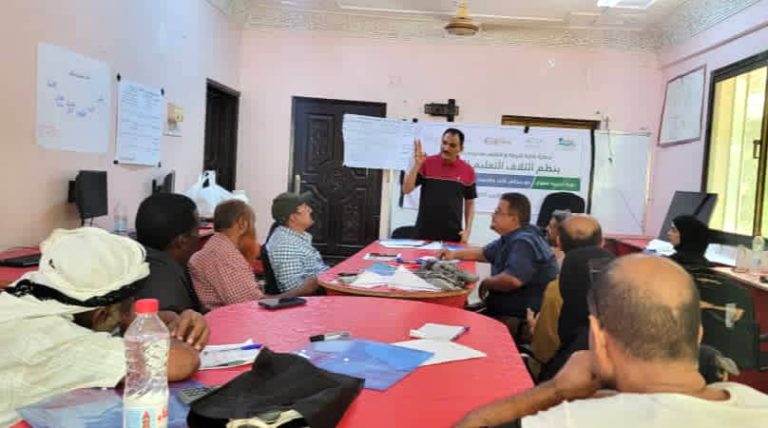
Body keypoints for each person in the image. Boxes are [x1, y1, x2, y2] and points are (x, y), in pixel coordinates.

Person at [455, 255, 768, 428]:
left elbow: (472, 424)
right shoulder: (757, 405)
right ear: (698, 334)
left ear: (598, 340)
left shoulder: (574, 420)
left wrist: (555, 390)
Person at [0, 228, 201, 426]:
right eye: (129, 306)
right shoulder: (63, 343)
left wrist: (164, 320)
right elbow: (182, 362)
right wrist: (168, 334)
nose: (134, 309)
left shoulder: (32, 294)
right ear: (102, 315)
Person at [439, 193, 558, 328]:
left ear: (514, 219)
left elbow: (512, 279)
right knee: (453, 312)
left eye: (497, 212)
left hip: (517, 317)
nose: (492, 215)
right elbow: (484, 253)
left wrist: (487, 283)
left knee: (452, 320)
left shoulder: (524, 242)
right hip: (501, 308)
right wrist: (453, 254)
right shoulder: (514, 236)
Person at [526, 214, 604, 373]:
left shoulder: (556, 290)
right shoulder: (619, 288)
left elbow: (544, 351)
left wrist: (534, 328)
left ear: (559, 242)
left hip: (564, 372)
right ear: (602, 243)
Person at [135, 193, 210, 349]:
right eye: (197, 230)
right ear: (183, 242)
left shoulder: (140, 259)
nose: (199, 236)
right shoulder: (166, 288)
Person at [402, 128, 477, 243]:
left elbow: (470, 202)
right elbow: (406, 189)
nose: (446, 148)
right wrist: (417, 165)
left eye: (452, 145)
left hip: (453, 235)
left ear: (461, 148)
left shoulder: (468, 171)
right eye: (444, 143)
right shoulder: (426, 163)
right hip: (424, 233)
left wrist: (468, 230)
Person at [189, 199, 265, 310]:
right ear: (242, 223)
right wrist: (289, 296)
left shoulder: (214, 248)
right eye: (252, 225)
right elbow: (250, 305)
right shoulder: (225, 255)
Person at [264, 192, 325, 295]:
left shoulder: (294, 236)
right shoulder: (284, 245)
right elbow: (294, 289)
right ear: (293, 217)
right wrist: (321, 280)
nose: (310, 210)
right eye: (304, 208)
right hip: (317, 297)